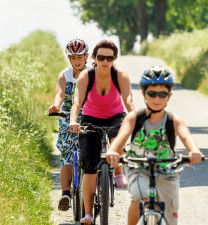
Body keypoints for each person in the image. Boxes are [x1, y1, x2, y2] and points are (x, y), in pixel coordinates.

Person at [106, 65, 204, 225]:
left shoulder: (174, 120)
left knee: (170, 217)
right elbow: (121, 137)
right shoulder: (133, 118)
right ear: (144, 94)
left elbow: (186, 136)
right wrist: (112, 151)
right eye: (152, 94)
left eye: (162, 94)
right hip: (138, 168)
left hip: (167, 170)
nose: (157, 99)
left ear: (169, 96)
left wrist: (194, 151)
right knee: (140, 197)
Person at [69, 40, 135, 223]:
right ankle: (88, 213)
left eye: (109, 58)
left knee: (118, 138)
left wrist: (136, 117)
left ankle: (118, 172)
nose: (105, 61)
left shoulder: (120, 74)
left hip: (115, 115)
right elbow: (77, 102)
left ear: (114, 59)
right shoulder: (86, 76)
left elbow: (128, 100)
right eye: (101, 57)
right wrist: (74, 120)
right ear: (94, 58)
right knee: (89, 166)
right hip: (90, 118)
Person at [48, 38, 91, 211]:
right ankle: (65, 193)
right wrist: (55, 106)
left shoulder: (92, 73)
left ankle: (97, 183)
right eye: (73, 57)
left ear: (86, 56)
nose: (77, 60)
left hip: (89, 114)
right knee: (66, 154)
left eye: (80, 57)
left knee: (93, 150)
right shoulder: (64, 75)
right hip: (67, 115)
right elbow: (59, 93)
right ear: (69, 59)